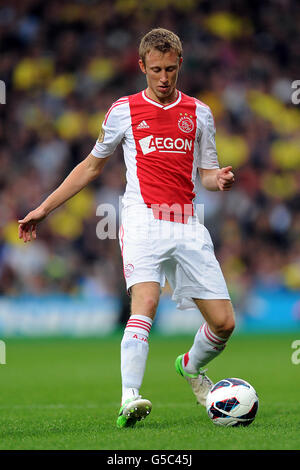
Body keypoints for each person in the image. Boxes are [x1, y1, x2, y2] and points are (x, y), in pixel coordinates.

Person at [18, 28, 235, 428]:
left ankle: (190, 366)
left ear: (180, 63)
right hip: (142, 218)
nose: (164, 78)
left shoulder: (200, 113)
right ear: (142, 67)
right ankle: (129, 398)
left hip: (186, 221)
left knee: (224, 323)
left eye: (170, 69)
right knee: (146, 305)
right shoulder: (123, 110)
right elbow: (90, 166)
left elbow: (205, 174)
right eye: (156, 70)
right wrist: (44, 208)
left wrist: (216, 179)